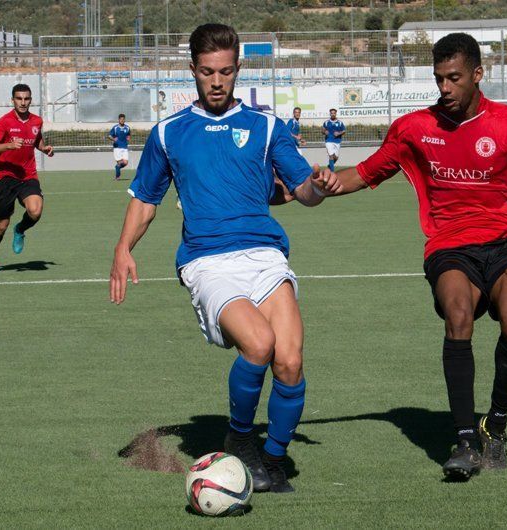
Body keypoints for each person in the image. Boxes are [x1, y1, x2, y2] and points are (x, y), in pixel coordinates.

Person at [311, 33, 507, 479]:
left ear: (478, 75)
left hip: (506, 241)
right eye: (439, 78)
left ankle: (495, 425)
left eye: (454, 78)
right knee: (457, 314)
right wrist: (330, 183)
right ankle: (463, 440)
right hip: (449, 244)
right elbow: (363, 173)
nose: (445, 88)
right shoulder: (414, 128)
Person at [109, 24, 336, 493]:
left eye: (226, 72)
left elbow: (302, 193)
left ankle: (271, 461)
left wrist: (320, 186)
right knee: (258, 344)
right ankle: (239, 436)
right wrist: (122, 249)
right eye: (208, 72)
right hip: (207, 260)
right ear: (193, 70)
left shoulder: (267, 126)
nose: (217, 81)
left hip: (266, 255)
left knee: (290, 362)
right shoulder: (169, 133)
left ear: (238, 70)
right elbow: (146, 199)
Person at [0, 83, 54, 272]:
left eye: (26, 99)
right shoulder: (5, 122)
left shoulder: (37, 121)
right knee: (1, 225)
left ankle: (20, 229)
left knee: (35, 210)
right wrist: (8, 145)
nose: (23, 102)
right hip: (5, 177)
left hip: (27, 175)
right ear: (12, 100)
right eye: (19, 98)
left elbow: (36, 139)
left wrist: (43, 148)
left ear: (31, 100)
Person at [109, 113, 131, 180]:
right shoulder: (115, 128)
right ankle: (117, 177)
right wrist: (113, 139)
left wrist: (128, 138)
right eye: (121, 119)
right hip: (117, 148)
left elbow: (128, 135)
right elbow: (109, 135)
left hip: (124, 147)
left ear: (124, 120)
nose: (122, 120)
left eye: (123, 119)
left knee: (125, 162)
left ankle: (117, 167)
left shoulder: (127, 128)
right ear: (118, 120)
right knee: (119, 162)